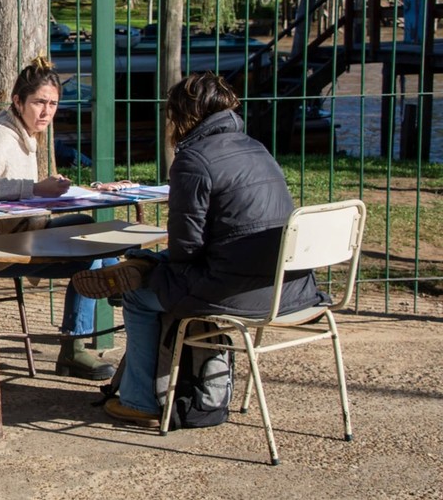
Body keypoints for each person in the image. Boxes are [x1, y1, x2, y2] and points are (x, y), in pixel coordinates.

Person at [71, 72, 328, 426]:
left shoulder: (193, 160)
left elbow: (185, 248)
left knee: (140, 297)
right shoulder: (257, 147)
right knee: (163, 274)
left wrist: (164, 261)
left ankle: (140, 401)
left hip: (232, 292)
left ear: (182, 115)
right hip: (290, 289)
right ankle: (143, 267)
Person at [0, 55, 116, 381]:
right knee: (90, 243)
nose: (46, 112)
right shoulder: (0, 135)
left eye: (53, 104)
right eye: (38, 103)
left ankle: (111, 293)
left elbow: (30, 192)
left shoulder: (26, 135)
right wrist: (33, 187)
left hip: (22, 235)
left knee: (92, 236)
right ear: (18, 101)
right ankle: (91, 325)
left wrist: (93, 189)